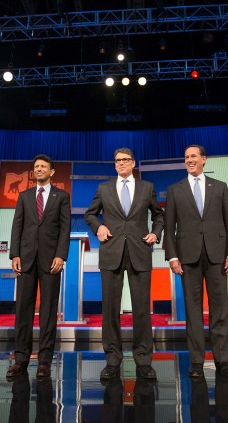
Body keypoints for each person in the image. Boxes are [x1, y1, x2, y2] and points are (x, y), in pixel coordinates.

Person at [84, 147, 164, 381]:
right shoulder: (104, 188)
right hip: (111, 252)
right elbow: (90, 214)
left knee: (141, 310)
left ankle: (143, 360)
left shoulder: (146, 187)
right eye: (117, 160)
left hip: (139, 251)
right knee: (110, 309)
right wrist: (98, 227)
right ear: (114, 164)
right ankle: (112, 359)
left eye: (125, 160)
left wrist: (155, 233)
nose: (121, 163)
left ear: (133, 163)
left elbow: (158, 215)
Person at [164, 145, 228, 379]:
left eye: (193, 156)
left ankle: (222, 360)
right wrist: (172, 255)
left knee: (220, 309)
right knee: (193, 310)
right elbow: (169, 226)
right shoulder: (175, 190)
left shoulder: (220, 187)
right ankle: (196, 361)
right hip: (187, 256)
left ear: (204, 159)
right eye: (186, 157)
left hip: (218, 255)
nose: (189, 160)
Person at [7, 155, 71, 379]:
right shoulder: (24, 196)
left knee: (48, 311)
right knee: (23, 310)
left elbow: (65, 229)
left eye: (44, 166)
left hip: (51, 260)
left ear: (52, 171)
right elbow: (17, 226)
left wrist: (61, 255)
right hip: (25, 259)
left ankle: (45, 360)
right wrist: (14, 254)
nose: (40, 169)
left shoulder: (61, 196)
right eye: (36, 167)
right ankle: (20, 359)